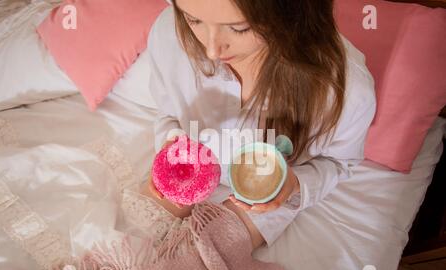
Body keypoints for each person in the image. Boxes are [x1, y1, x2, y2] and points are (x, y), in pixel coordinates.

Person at [145, 0, 376, 249]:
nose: (212, 50)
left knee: (205, 258)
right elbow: (168, 111)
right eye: (194, 19)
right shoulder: (169, 33)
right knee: (138, 230)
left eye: (239, 28)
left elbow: (338, 162)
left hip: (267, 189)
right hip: (190, 165)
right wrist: (172, 142)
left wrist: (295, 183)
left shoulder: (345, 89)